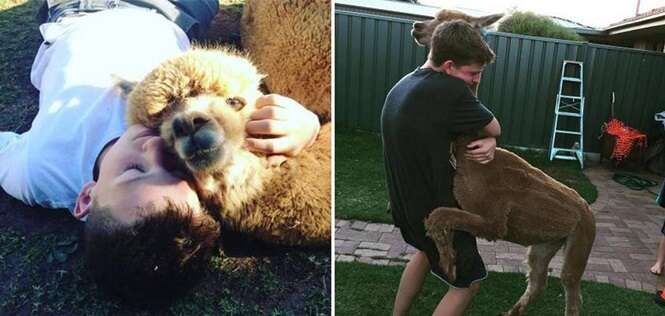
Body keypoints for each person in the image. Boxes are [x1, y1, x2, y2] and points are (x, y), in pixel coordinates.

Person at [0, 0, 320, 303]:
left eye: (133, 170)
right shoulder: (194, 134)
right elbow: (243, 110)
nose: (155, 145)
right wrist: (306, 124)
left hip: (80, 11)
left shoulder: (39, 170)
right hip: (177, 11)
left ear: (86, 197)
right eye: (176, 167)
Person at [381, 20, 501, 315]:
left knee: (424, 252)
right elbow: (494, 126)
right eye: (472, 73)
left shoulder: (404, 84)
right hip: (438, 214)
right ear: (448, 66)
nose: (475, 80)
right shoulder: (449, 91)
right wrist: (492, 140)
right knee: (466, 284)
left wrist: (488, 140)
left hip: (405, 205)